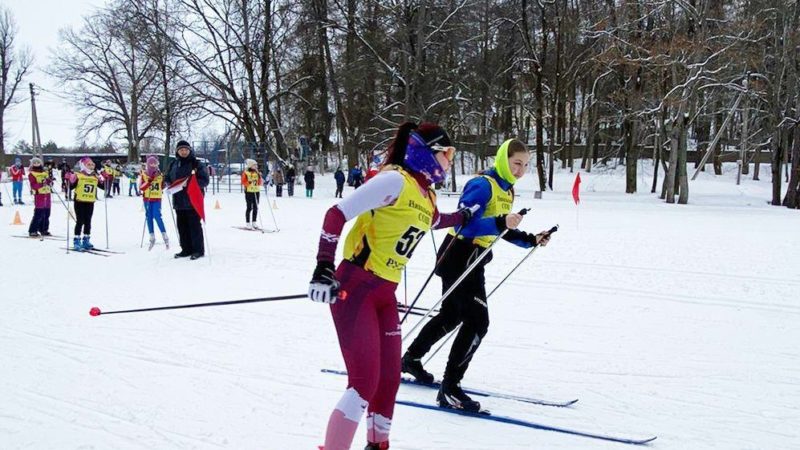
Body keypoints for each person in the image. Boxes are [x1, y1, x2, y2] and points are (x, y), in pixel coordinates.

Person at [308, 122, 476, 450]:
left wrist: (463, 217)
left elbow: (435, 220)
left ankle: (378, 445)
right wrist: (324, 266)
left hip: (385, 294)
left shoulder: (425, 195)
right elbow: (336, 213)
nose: (451, 160)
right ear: (427, 153)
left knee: (388, 381)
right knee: (363, 384)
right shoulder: (393, 180)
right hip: (355, 286)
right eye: (447, 153)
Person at [401, 139, 553, 412]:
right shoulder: (482, 184)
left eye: (525, 165)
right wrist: (499, 222)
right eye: (516, 163)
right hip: (458, 254)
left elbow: (500, 227)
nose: (520, 170)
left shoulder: (507, 189)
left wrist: (531, 239)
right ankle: (450, 389)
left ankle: (411, 359)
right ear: (502, 159)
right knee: (477, 321)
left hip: (473, 259)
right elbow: (464, 224)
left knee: (451, 315)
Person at [165, 140, 209, 260]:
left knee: (194, 226)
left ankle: (198, 250)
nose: (183, 152)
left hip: (192, 200)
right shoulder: (173, 163)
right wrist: (168, 183)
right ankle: (186, 249)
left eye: (186, 150)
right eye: (181, 150)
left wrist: (191, 184)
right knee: (182, 226)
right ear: (177, 151)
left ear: (189, 150)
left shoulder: (196, 163)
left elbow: (205, 180)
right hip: (178, 200)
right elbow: (167, 177)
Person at [67, 157, 106, 251]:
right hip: (79, 201)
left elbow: (103, 187)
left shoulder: (94, 176)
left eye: (92, 164)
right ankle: (76, 241)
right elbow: (71, 187)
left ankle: (86, 240)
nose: (91, 166)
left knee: (88, 221)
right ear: (83, 165)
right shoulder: (78, 175)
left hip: (90, 201)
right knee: (80, 221)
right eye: (89, 164)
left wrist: (105, 179)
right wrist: (68, 179)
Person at [140, 155, 169, 250]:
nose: (153, 165)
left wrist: (165, 183)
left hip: (157, 198)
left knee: (157, 215)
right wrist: (150, 180)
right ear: (148, 164)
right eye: (151, 163)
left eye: (155, 163)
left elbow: (162, 186)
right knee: (148, 216)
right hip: (147, 199)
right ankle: (151, 235)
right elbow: (141, 187)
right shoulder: (144, 174)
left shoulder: (160, 175)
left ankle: (164, 234)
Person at [27, 158, 54, 237]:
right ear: (32, 164)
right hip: (39, 195)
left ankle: (43, 229)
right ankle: (33, 230)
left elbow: (49, 181)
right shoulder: (32, 173)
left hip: (47, 194)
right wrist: (42, 184)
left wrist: (50, 181)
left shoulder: (44, 172)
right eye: (34, 162)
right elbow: (33, 185)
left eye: (38, 162)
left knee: (47, 213)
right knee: (38, 213)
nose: (36, 163)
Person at [240, 159, 262, 229]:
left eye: (256, 165)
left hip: (256, 191)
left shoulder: (257, 173)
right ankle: (248, 223)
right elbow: (243, 182)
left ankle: (254, 222)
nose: (256, 166)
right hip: (249, 192)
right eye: (254, 165)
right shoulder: (246, 173)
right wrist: (248, 183)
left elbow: (259, 181)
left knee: (256, 207)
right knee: (249, 207)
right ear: (250, 165)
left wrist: (260, 181)